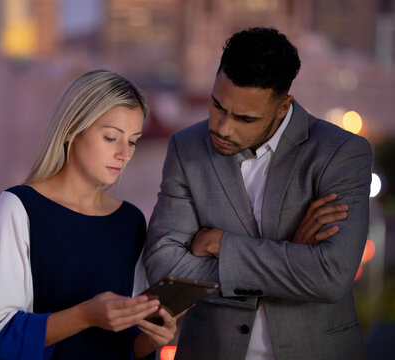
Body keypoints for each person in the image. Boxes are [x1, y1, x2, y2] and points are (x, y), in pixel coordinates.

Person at [143, 27, 373, 360]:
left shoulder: (342, 152)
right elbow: (163, 266)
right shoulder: (187, 147)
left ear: (283, 108)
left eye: (244, 118)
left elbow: (331, 276)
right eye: (217, 106)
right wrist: (292, 255)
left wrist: (222, 245)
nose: (223, 128)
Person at [0, 70, 179, 360]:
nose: (125, 153)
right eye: (111, 137)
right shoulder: (17, 209)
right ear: (71, 129)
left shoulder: (130, 222)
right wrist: (86, 315)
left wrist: (152, 338)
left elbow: (127, 347)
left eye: (133, 141)